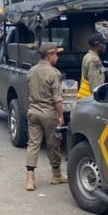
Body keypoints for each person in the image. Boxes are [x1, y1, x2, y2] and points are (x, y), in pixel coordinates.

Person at [25, 44, 67, 191]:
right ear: (49, 56)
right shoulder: (53, 73)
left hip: (33, 111)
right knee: (53, 143)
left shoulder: (31, 71)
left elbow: (28, 91)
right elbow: (57, 99)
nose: (57, 57)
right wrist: (60, 115)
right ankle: (56, 174)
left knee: (33, 144)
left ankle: (30, 178)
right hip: (49, 113)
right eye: (56, 54)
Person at [78, 33, 106, 97]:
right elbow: (93, 82)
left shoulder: (89, 56)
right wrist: (96, 98)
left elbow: (102, 72)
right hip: (90, 97)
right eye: (104, 44)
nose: (105, 46)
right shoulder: (93, 60)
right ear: (98, 46)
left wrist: (100, 65)